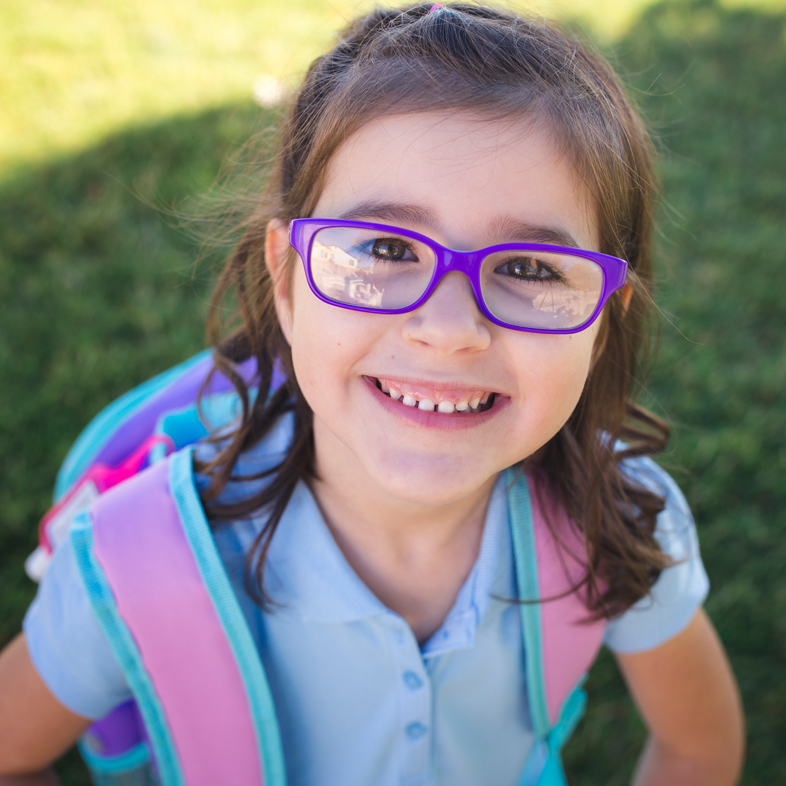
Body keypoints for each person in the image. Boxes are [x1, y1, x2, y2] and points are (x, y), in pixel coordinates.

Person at [0, 4, 744, 785]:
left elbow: (696, 746)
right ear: (287, 281)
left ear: (600, 322)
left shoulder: (617, 518)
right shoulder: (133, 561)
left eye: (529, 268)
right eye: (386, 248)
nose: (449, 329)